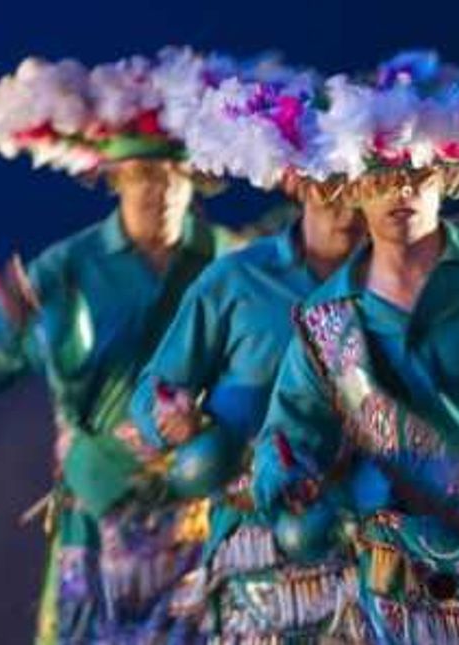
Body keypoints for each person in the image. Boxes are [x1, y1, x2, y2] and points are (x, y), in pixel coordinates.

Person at [251, 55, 459, 644]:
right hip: (392, 577)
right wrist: (285, 475)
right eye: (379, 175)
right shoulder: (327, 317)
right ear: (352, 186)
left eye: (416, 171)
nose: (400, 188)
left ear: (445, 174)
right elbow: (287, 435)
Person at [0, 53, 235, 644]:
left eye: (169, 178)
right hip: (99, 500)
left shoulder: (229, 259)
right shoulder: (71, 264)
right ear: (113, 180)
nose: (155, 192)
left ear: (193, 179)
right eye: (138, 178)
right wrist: (9, 320)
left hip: (199, 503)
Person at [131, 66, 371, 642]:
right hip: (255, 542)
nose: (343, 196)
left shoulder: (397, 287)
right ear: (295, 180)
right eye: (327, 178)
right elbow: (152, 391)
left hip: (370, 538)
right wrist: (173, 419)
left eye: (359, 180)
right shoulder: (235, 281)